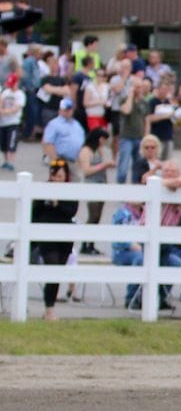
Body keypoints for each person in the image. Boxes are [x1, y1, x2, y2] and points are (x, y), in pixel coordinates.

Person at [31, 160, 78, 320]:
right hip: (46, 234)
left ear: (66, 176)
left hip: (64, 235)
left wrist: (57, 203)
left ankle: (49, 309)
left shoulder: (70, 190)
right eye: (55, 176)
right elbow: (34, 212)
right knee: (51, 267)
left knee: (57, 271)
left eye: (61, 176)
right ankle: (49, 309)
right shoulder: (43, 188)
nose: (57, 179)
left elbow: (71, 212)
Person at [77, 127, 115, 255]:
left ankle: (91, 243)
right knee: (92, 215)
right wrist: (104, 165)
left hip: (101, 184)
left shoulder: (99, 151)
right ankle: (85, 244)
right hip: (91, 185)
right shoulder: (86, 151)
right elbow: (86, 170)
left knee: (98, 216)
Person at [0, 72, 25, 171]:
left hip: (13, 122)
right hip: (3, 122)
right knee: (4, 143)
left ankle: (11, 162)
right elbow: (1, 102)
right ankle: (6, 161)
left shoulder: (20, 94)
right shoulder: (6, 92)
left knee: (11, 142)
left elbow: (17, 108)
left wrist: (4, 112)